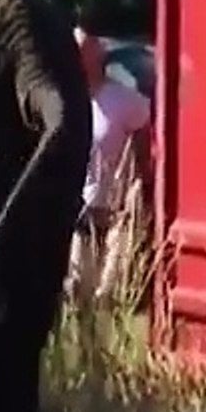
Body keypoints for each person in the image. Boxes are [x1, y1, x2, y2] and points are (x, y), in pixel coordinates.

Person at [65, 27, 151, 307]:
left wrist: (139, 190)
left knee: (108, 296)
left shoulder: (125, 101)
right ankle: (83, 348)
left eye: (83, 50)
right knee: (76, 290)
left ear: (97, 54)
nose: (77, 57)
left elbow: (147, 147)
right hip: (80, 212)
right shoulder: (66, 101)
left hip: (118, 212)